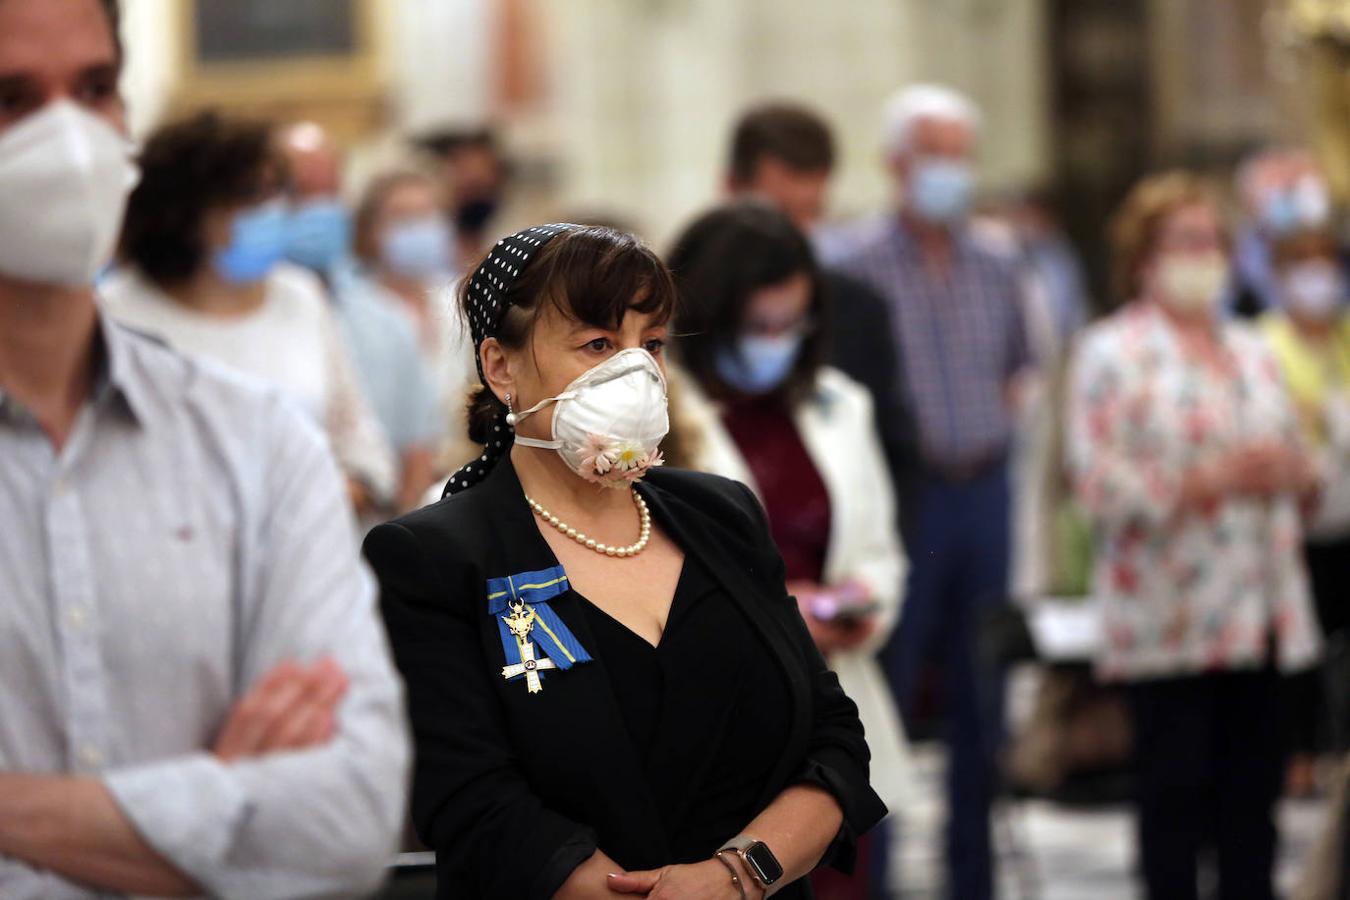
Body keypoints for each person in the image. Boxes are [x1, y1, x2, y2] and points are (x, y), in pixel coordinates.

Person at [0, 1, 409, 896]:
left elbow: (347, 818)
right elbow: (281, 850)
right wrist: (219, 821)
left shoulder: (259, 441)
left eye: (96, 88)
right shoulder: (150, 310)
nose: (65, 138)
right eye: (11, 98)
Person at [365, 223, 886, 899]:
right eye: (599, 344)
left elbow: (833, 739)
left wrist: (736, 877)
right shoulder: (435, 556)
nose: (636, 373)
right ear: (501, 367)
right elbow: (471, 799)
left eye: (653, 345)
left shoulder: (721, 516)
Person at [1067, 171, 1322, 900]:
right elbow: (1097, 486)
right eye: (1185, 240)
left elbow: (1304, 460)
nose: (1203, 254)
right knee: (1175, 804)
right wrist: (1210, 480)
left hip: (1262, 606)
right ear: (1144, 255)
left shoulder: (1253, 346)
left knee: (1254, 808)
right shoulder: (1111, 352)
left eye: (1213, 240)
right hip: (1169, 614)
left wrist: (1297, 474)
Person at [823, 82, 1033, 900]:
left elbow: (1021, 366)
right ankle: (876, 873)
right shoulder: (854, 262)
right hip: (906, 500)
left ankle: (972, 878)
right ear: (896, 164)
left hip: (983, 490)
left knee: (982, 693)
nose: (948, 171)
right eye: (931, 155)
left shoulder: (1000, 260)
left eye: (958, 155)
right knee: (888, 688)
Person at [667, 201, 911, 899]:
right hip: (723, 712)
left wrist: (862, 605)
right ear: (712, 320)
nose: (774, 342)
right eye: (757, 326)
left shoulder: (839, 403)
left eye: (790, 325)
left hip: (832, 695)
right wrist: (780, 615)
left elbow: (879, 550)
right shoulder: (665, 415)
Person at [102, 110, 398, 516]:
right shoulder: (116, 312)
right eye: (250, 198)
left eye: (276, 192)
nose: (272, 211)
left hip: (309, 546)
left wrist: (329, 497)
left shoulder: (300, 296)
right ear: (185, 211)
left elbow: (362, 444)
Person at [726, 101, 921, 541]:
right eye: (778, 211)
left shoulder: (856, 308)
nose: (794, 231)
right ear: (731, 190)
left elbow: (893, 450)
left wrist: (876, 574)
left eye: (810, 212)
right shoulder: (687, 308)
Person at [280, 122, 441, 514]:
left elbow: (416, 452)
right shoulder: (241, 315)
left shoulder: (386, 321)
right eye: (302, 193)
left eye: (329, 193)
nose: (318, 210)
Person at [1259, 228, 1350, 786]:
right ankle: (1298, 751)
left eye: (1325, 264)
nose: (1317, 278)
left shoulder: (1344, 337)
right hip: (1297, 518)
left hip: (1347, 511)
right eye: (1302, 264)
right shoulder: (1265, 343)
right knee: (1301, 643)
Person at [351, 169, 476, 467]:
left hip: (454, 472)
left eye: (427, 214)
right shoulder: (352, 310)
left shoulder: (457, 303)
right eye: (402, 217)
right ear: (370, 232)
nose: (418, 228)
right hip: (380, 474)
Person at [1229, 147, 1335, 318]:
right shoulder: (1236, 256)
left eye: (1293, 184)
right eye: (1278, 183)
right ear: (1247, 197)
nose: (1288, 194)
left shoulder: (1334, 246)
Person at [418, 126, 509, 271]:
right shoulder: (423, 243)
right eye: (468, 184)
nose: (475, 194)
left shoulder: (512, 239)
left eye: (480, 184)